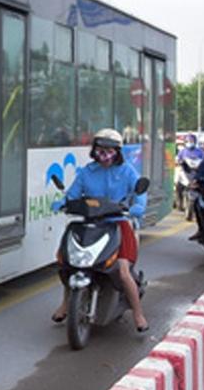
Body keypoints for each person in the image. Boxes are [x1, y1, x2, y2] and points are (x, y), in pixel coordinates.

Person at [51, 128, 149, 332]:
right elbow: (73, 194)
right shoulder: (87, 172)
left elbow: (139, 193)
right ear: (94, 150)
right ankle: (65, 303)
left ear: (118, 152)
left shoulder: (127, 171)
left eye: (110, 150)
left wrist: (138, 207)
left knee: (122, 271)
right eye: (100, 149)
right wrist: (63, 202)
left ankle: (138, 313)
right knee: (66, 263)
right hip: (90, 223)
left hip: (118, 223)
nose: (105, 154)